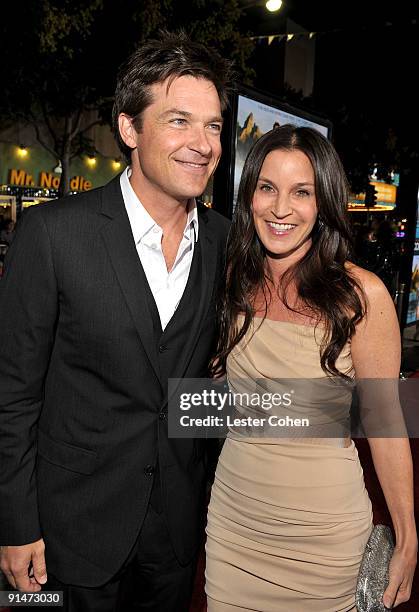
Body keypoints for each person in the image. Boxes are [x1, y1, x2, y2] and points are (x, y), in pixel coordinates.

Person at [0, 31, 232, 612]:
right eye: (179, 121)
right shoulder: (52, 234)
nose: (203, 144)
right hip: (62, 536)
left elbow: (205, 386)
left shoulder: (227, 245)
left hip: (176, 534)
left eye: (213, 125)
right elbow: (12, 397)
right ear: (130, 129)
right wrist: (14, 524)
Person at [205, 125, 417, 611]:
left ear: (323, 204)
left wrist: (407, 536)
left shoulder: (360, 295)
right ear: (249, 196)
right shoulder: (232, 277)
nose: (281, 209)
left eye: (302, 192)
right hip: (234, 527)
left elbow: (385, 421)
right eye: (267, 188)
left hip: (324, 542)